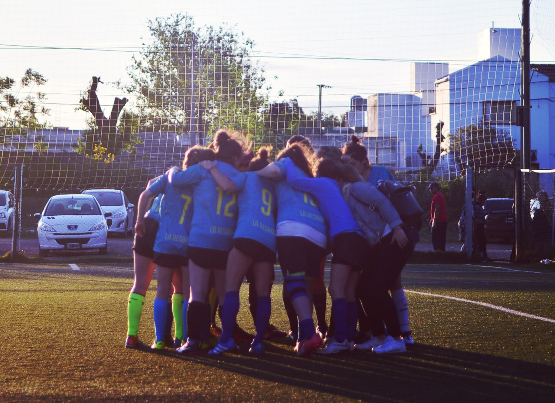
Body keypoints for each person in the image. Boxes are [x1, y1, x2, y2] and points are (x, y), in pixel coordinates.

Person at [168, 130, 248, 355]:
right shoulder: (239, 176)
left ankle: (193, 341)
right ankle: (226, 338)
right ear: (235, 158)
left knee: (198, 294)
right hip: (226, 242)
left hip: (201, 240)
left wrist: (173, 169)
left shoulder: (202, 170)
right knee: (225, 294)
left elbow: (175, 179)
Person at [283, 155, 369, 354]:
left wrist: (288, 159)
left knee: (336, 290)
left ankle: (339, 339)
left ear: (319, 172)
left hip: (346, 239)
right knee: (349, 292)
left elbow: (294, 180)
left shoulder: (323, 183)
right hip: (357, 239)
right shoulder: (336, 187)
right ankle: (347, 339)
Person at [204, 147, 277, 355]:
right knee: (263, 295)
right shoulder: (271, 186)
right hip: (268, 240)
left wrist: (212, 169)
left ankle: (226, 339)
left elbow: (227, 186)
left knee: (231, 289)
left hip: (247, 234)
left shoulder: (246, 177)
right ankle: (259, 343)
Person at [256, 143, 327, 356]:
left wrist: (248, 168)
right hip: (318, 233)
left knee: (294, 284)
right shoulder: (309, 175)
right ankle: (305, 339)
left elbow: (269, 171)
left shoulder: (285, 165)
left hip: (293, 229)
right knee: (305, 287)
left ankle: (309, 332)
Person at [341, 135, 413, 344]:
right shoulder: (348, 187)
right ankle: (378, 334)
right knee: (364, 287)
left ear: (363, 161)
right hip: (374, 243)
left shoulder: (372, 178)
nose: (348, 167)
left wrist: (398, 227)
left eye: (351, 163)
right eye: (344, 164)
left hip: (392, 235)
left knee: (387, 284)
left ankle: (401, 334)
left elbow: (389, 202)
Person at [125, 188, 161, 349]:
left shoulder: (168, 175)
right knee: (174, 288)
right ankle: (179, 338)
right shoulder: (196, 178)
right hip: (170, 230)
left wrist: (139, 220)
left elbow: (148, 189)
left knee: (139, 284)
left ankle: (132, 335)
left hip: (148, 223)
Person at [428, 181, 448, 251]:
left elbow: (437, 209)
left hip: (440, 221)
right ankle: (440, 253)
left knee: (436, 239)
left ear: (436, 188)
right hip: (441, 220)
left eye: (432, 188)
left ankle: (438, 253)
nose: (430, 190)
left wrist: (434, 221)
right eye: (430, 188)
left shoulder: (437, 196)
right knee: (440, 239)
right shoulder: (437, 195)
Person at [473, 194, 489, 262]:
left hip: (481, 226)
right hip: (478, 227)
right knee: (481, 241)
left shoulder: (480, 207)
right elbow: (476, 217)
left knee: (483, 241)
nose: (484, 202)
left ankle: (483, 255)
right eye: (483, 200)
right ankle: (481, 256)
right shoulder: (477, 207)